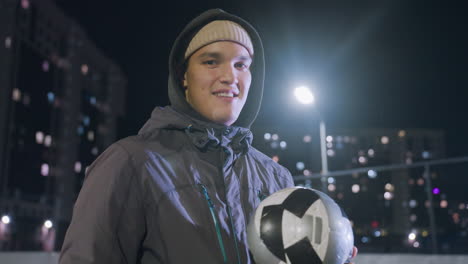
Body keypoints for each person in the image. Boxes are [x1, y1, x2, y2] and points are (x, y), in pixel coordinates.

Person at [59, 9, 356, 264]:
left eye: (241, 64)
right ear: (183, 76)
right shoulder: (131, 164)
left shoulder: (276, 178)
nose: (230, 76)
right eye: (211, 61)